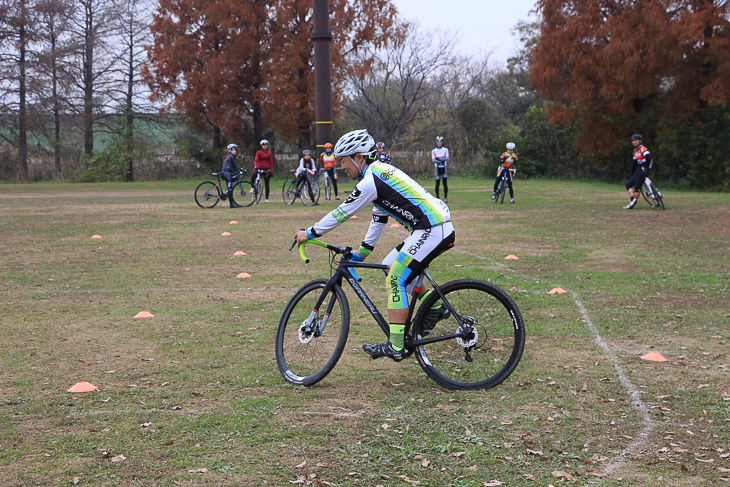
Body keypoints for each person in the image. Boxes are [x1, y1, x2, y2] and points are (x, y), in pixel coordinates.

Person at [295, 129, 455, 362]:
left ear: (359, 157)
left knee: (395, 279)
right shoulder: (378, 175)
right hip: (430, 228)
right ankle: (437, 307)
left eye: (343, 160)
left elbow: (342, 212)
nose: (341, 166)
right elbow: (379, 216)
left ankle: (396, 346)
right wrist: (365, 251)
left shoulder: (371, 180)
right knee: (390, 265)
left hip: (431, 229)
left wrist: (309, 233)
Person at [623, 134, 653, 209]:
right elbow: (634, 163)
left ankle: (632, 203)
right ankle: (633, 200)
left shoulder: (642, 148)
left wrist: (647, 169)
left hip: (643, 167)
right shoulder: (635, 151)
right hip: (638, 168)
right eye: (633, 141)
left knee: (637, 187)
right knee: (628, 185)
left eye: (636, 140)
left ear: (640, 141)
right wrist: (631, 173)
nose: (634, 142)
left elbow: (648, 158)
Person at [221, 143, 242, 208]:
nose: (234, 151)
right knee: (230, 189)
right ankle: (231, 204)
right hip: (226, 172)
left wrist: (237, 171)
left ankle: (232, 203)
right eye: (232, 149)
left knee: (230, 188)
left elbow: (232, 166)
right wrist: (239, 172)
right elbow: (234, 165)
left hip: (226, 172)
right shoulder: (231, 156)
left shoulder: (229, 156)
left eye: (235, 149)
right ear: (230, 150)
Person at [431, 136, 449, 202]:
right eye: (438, 142)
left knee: (445, 183)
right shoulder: (434, 151)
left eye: (440, 142)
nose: (439, 143)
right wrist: (442, 160)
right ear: (436, 143)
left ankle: (445, 197)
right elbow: (433, 160)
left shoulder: (445, 150)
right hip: (437, 168)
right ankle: (437, 198)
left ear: (442, 142)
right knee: (437, 183)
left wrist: (438, 159)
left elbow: (447, 158)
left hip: (444, 167)